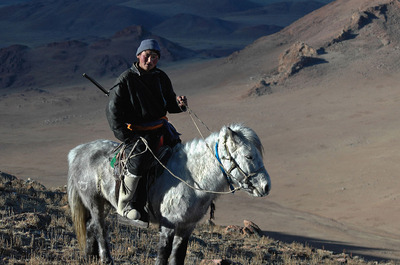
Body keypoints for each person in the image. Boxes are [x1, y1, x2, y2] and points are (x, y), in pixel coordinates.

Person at [106, 39, 188, 221]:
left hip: (160, 128)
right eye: (147, 55)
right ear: (138, 55)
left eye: (155, 57)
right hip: (136, 133)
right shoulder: (125, 80)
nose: (150, 60)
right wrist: (127, 137)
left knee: (178, 155)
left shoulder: (161, 77)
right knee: (139, 160)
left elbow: (169, 103)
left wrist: (180, 104)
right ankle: (125, 206)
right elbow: (113, 112)